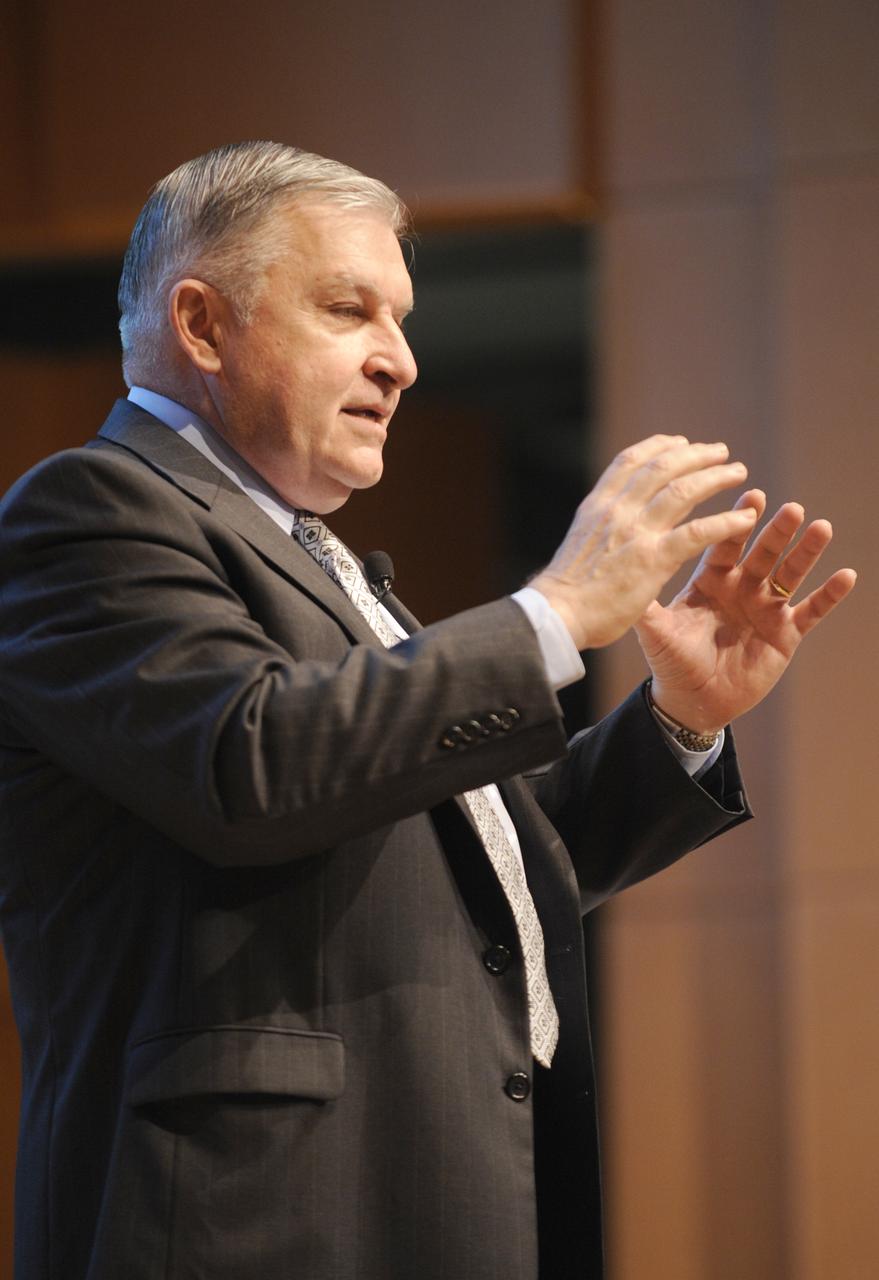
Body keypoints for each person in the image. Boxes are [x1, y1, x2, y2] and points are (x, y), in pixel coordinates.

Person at [0, 141, 855, 1280]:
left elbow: (473, 868)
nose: (400, 360)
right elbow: (249, 763)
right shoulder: (89, 515)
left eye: (401, 318)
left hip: (433, 1192)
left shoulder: (328, 562)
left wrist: (679, 720)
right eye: (349, 309)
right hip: (250, 1221)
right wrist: (549, 614)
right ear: (201, 325)